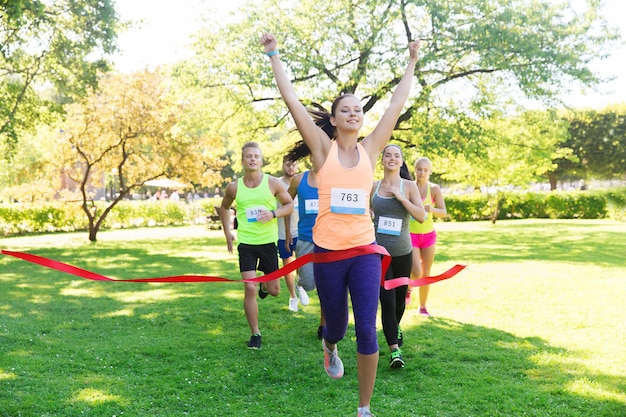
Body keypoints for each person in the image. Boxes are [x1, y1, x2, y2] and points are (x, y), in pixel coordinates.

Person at [261, 32, 419, 417]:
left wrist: (412, 61)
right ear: (333, 120)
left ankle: (364, 408)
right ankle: (329, 345)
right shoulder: (322, 149)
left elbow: (396, 104)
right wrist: (274, 56)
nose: (353, 113)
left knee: (366, 328)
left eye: (357, 109)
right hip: (328, 254)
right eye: (344, 110)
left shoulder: (370, 151)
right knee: (336, 326)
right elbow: (292, 101)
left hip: (364, 251)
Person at [220, 141, 294, 349]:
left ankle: (264, 282)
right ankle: (255, 333)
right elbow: (224, 208)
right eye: (248, 156)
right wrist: (228, 232)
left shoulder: (272, 184)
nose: (252, 159)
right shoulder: (234, 187)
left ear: (261, 160)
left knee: (274, 291)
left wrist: (273, 213)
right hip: (246, 244)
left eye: (256, 156)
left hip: (268, 243)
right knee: (249, 288)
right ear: (242, 160)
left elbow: (289, 205)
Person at [371, 146, 425, 369]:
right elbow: (366, 214)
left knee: (399, 303)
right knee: (387, 300)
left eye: (396, 155)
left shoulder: (409, 186)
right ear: (382, 160)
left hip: (403, 253)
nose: (392, 159)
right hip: (379, 255)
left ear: (402, 161)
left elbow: (421, 216)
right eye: (387, 155)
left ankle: (395, 326)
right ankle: (395, 350)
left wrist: (402, 198)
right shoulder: (373, 187)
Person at [285, 156, 324, 338]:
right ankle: (300, 284)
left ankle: (324, 326)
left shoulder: (333, 179)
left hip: (328, 241)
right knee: (309, 284)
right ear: (310, 158)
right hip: (305, 240)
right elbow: (286, 203)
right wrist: (287, 233)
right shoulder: (299, 180)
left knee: (328, 286)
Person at [408, 157, 447, 317]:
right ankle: (409, 287)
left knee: (426, 272)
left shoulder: (434, 189)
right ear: (415, 170)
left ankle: (423, 306)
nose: (421, 173)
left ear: (429, 172)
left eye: (425, 170)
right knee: (417, 271)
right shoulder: (409, 187)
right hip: (411, 235)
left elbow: (444, 212)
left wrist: (431, 208)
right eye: (419, 169)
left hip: (429, 235)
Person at [276, 155, 305, 311]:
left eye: (294, 164)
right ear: (282, 166)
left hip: (300, 231)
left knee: (301, 265)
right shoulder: (276, 184)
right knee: (288, 265)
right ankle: (293, 296)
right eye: (288, 164)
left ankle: (301, 288)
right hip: (283, 232)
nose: (291, 168)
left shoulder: (301, 182)